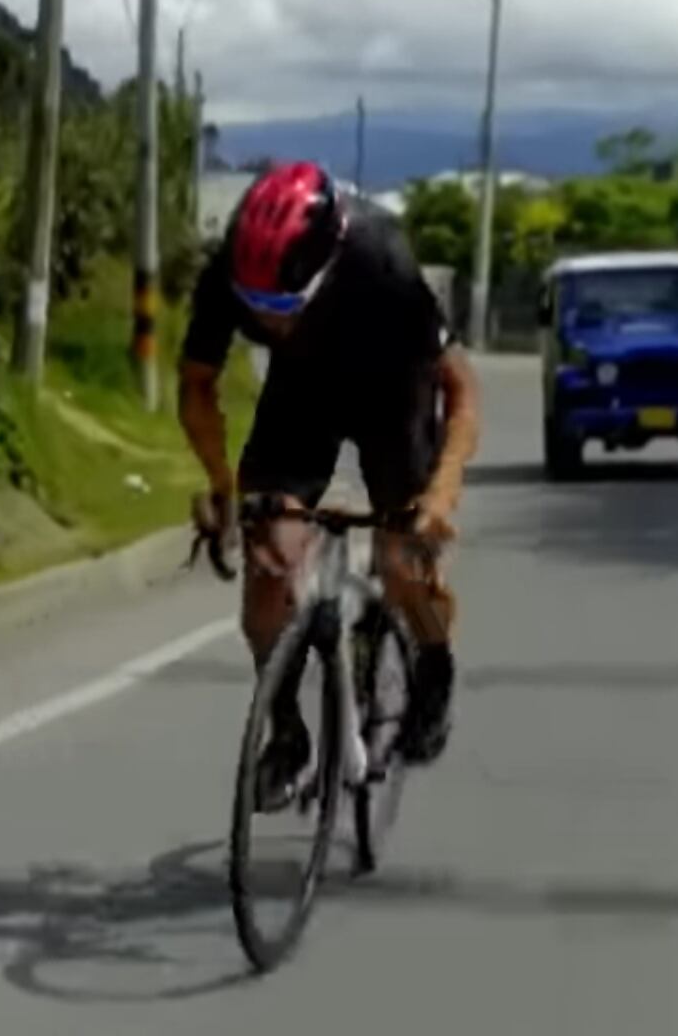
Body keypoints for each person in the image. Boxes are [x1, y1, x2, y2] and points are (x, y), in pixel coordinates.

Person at [177, 161, 481, 803]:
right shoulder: (230, 271)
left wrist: (440, 494)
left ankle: (433, 659)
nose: (270, 321)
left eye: (282, 306)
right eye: (257, 308)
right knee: (270, 562)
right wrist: (222, 486)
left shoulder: (382, 265)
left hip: (393, 393)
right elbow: (198, 385)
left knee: (404, 563)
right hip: (302, 394)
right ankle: (286, 731)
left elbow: (461, 391)